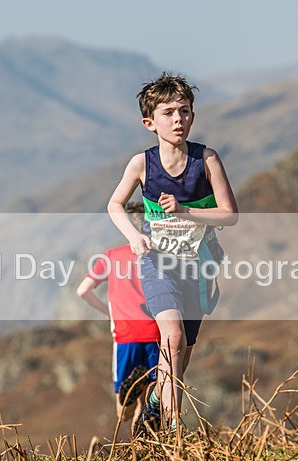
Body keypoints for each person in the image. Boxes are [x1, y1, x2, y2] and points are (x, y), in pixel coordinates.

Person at [107, 73, 238, 432]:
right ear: (150, 123)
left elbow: (230, 214)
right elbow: (115, 205)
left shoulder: (206, 159)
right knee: (173, 338)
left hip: (199, 265)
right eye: (168, 112)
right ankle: (171, 430)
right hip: (156, 262)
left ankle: (152, 401)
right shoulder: (142, 164)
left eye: (185, 110)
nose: (178, 118)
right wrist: (134, 237)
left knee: (182, 355)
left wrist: (185, 211)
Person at [76, 202, 160, 437]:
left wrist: (108, 312)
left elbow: (83, 290)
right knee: (152, 401)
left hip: (125, 334)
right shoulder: (159, 254)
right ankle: (146, 448)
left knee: (123, 413)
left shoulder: (112, 256)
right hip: (156, 331)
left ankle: (130, 391)